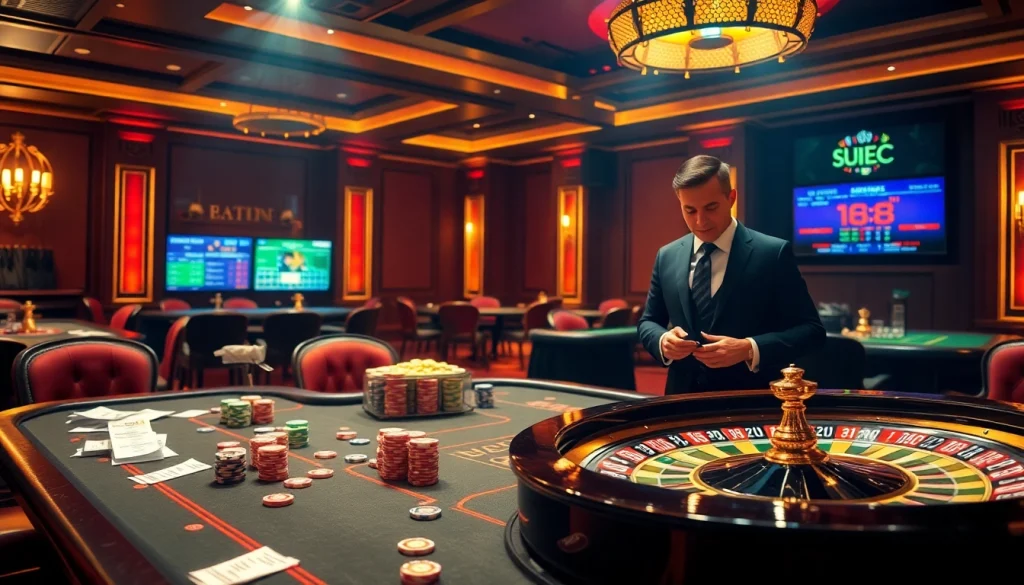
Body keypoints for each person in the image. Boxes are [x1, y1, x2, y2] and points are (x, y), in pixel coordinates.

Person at [637, 155, 825, 394]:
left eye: (711, 207)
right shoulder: (667, 255)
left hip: (750, 401)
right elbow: (648, 322)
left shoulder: (772, 253)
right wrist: (663, 341)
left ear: (731, 198)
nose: (700, 221)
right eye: (690, 210)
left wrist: (749, 348)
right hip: (680, 400)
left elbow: (812, 331)